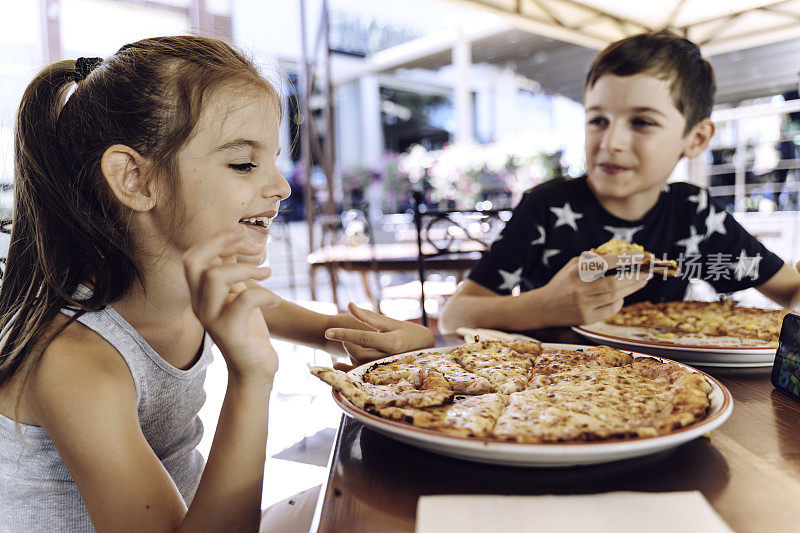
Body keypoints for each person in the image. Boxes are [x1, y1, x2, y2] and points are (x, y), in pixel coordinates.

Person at [0, 36, 433, 532]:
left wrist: (403, 349)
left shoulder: (211, 291)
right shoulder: (75, 359)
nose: (281, 187)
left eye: (272, 161)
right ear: (136, 180)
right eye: (244, 163)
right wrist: (250, 378)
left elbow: (339, 333)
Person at [440, 30, 800, 334]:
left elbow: (791, 290)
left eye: (642, 122)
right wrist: (544, 307)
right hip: (549, 392)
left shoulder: (694, 214)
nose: (611, 142)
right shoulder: (547, 206)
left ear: (696, 138)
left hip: (666, 393)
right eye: (598, 120)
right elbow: (452, 317)